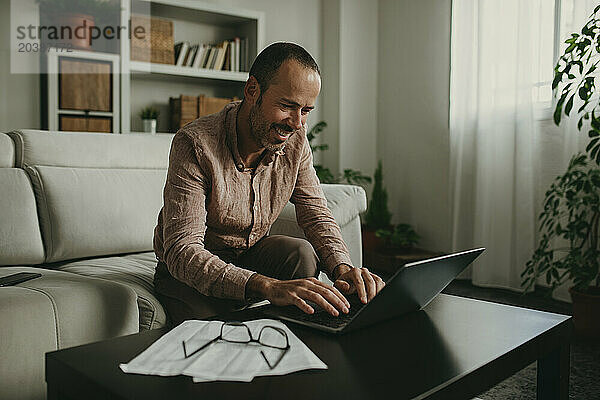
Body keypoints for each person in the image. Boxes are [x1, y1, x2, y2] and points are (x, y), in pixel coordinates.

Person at [153, 42, 384, 325]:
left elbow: (315, 212)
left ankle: (304, 334)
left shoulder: (296, 138)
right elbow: (182, 250)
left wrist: (343, 268)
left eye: (306, 110)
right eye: (287, 106)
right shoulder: (194, 143)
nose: (297, 123)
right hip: (190, 272)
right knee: (216, 336)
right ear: (252, 91)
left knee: (299, 253)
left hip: (250, 254)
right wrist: (267, 286)